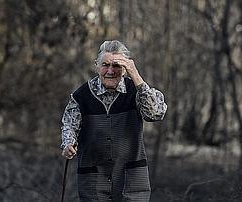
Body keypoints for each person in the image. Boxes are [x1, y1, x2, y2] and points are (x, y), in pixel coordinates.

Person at [61, 40, 167, 201]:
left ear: (125, 69)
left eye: (117, 65)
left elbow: (156, 113)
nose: (110, 71)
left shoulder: (137, 91)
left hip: (131, 180)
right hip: (94, 180)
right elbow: (69, 125)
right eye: (105, 65)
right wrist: (68, 144)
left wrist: (136, 77)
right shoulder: (80, 96)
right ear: (96, 65)